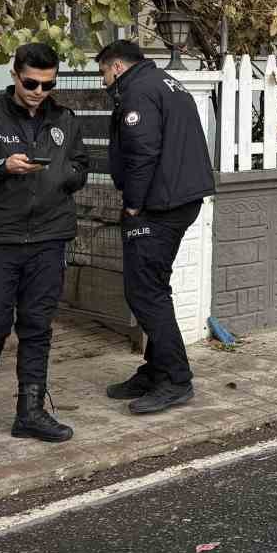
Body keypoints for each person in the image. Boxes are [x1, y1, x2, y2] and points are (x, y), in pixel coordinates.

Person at [0, 43, 88, 442]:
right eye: (31, 83)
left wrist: (67, 175)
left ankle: (31, 410)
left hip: (49, 236)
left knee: (37, 326)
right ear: (14, 75)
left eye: (47, 84)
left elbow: (81, 164)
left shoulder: (64, 119)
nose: (39, 91)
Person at [97, 39, 216, 414]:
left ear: (117, 66)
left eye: (103, 73)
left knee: (145, 293)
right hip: (179, 199)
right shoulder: (166, 82)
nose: (103, 82)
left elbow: (142, 152)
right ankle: (156, 370)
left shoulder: (138, 92)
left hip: (158, 205)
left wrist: (133, 204)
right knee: (153, 288)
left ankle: (177, 380)